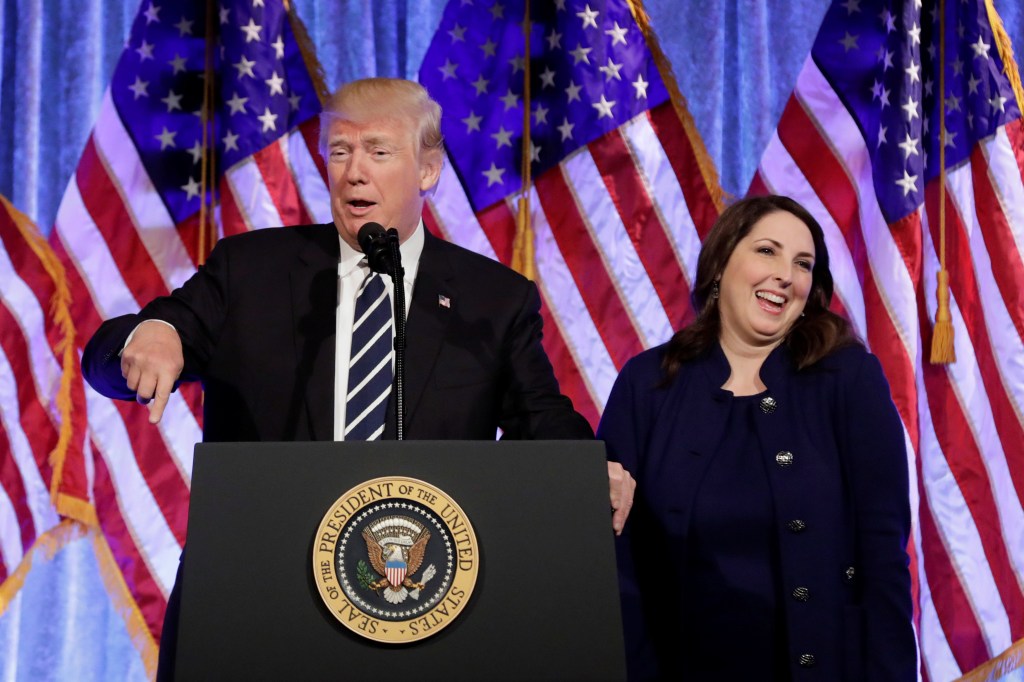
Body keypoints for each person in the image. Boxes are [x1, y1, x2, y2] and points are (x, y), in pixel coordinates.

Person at [82, 78, 634, 679]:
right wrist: (151, 332)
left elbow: (541, 418)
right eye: (340, 151)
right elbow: (109, 357)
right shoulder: (252, 271)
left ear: (428, 169)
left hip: (421, 610)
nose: (353, 172)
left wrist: (585, 468)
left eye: (378, 150)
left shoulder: (490, 300)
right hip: (256, 603)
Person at [597, 195, 915, 681]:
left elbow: (883, 557)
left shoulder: (849, 379)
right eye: (767, 251)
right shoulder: (648, 384)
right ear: (721, 264)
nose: (786, 274)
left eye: (803, 263)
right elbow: (612, 560)